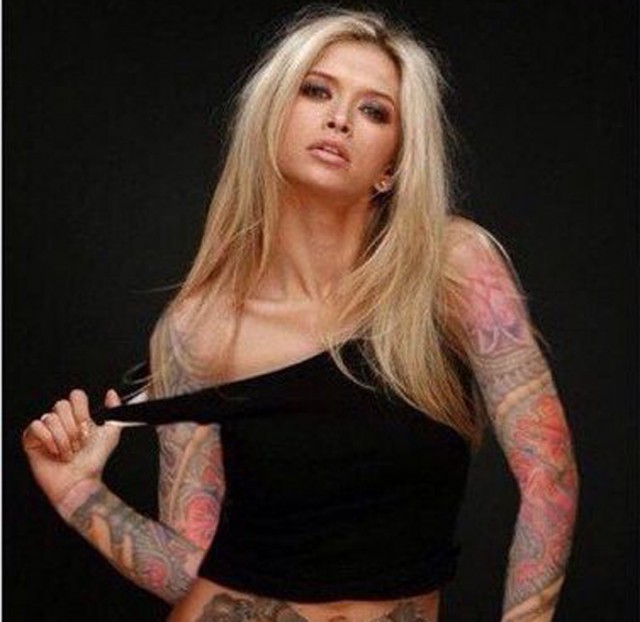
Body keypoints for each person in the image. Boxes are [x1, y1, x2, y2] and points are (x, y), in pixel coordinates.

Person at [22, 8, 579, 622]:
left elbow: (548, 477)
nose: (340, 118)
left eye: (375, 111)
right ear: (272, 118)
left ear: (392, 166)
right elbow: (192, 571)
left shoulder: (452, 267)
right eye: (316, 91)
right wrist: (77, 492)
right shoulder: (199, 328)